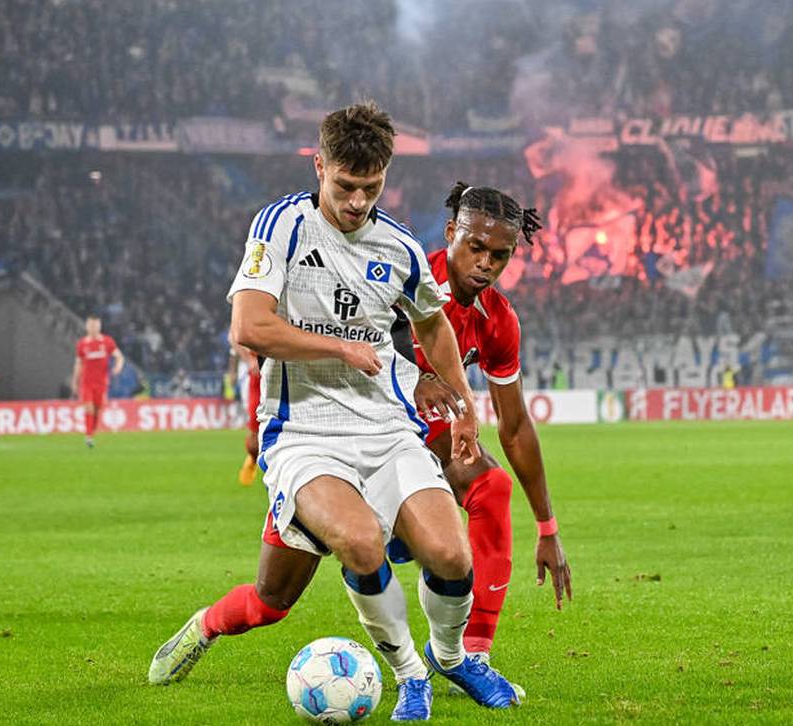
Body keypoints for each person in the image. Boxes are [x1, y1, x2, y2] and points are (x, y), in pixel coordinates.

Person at [146, 102, 519, 720]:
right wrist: (340, 347)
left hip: (386, 428)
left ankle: (450, 658)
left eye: (370, 188)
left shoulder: (397, 247)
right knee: (338, 556)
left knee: (454, 556)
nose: (356, 202)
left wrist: (463, 404)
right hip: (304, 432)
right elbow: (249, 326)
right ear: (319, 166)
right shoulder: (281, 227)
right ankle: (408, 675)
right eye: (345, 186)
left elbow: (431, 321)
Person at [382, 183, 571, 693]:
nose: (485, 263)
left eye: (500, 255)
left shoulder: (498, 319)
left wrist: (547, 526)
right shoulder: (403, 276)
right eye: (475, 247)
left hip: (430, 430)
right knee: (275, 594)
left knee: (493, 487)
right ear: (450, 233)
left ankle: (469, 655)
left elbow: (514, 425)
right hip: (363, 423)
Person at [72, 315, 124, 448]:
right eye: (91, 325)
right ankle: (88, 436)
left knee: (97, 409)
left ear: (99, 326)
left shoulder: (107, 342)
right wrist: (75, 380)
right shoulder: (82, 344)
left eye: (96, 325)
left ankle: (92, 431)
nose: (93, 328)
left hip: (102, 383)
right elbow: (78, 364)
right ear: (87, 326)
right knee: (89, 408)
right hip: (87, 382)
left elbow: (119, 356)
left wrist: (118, 366)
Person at [227, 340, 262, 485]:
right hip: (256, 375)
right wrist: (250, 360)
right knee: (254, 440)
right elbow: (233, 339)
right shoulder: (248, 321)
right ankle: (253, 458)